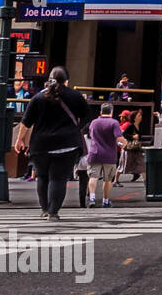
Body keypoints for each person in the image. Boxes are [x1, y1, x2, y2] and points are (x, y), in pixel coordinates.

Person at [14, 66, 87, 221]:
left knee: (42, 177)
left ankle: (45, 209)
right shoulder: (75, 96)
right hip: (67, 144)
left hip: (41, 145)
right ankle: (53, 212)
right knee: (58, 178)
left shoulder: (39, 98)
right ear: (66, 80)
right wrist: (76, 129)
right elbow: (87, 117)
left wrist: (19, 139)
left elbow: (26, 122)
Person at [86, 102, 124, 208]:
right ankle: (105, 201)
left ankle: (92, 198)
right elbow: (119, 138)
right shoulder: (114, 123)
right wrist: (126, 145)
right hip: (109, 155)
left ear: (100, 112)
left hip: (94, 154)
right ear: (111, 112)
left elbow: (90, 135)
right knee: (107, 179)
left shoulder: (93, 122)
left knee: (93, 177)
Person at [117, 110, 145, 183]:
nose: (141, 117)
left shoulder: (139, 126)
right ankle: (115, 180)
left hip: (136, 148)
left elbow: (140, 137)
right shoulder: (130, 125)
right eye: (139, 116)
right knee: (123, 165)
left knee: (142, 164)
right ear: (134, 118)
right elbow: (124, 134)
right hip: (129, 148)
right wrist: (133, 137)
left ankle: (146, 181)